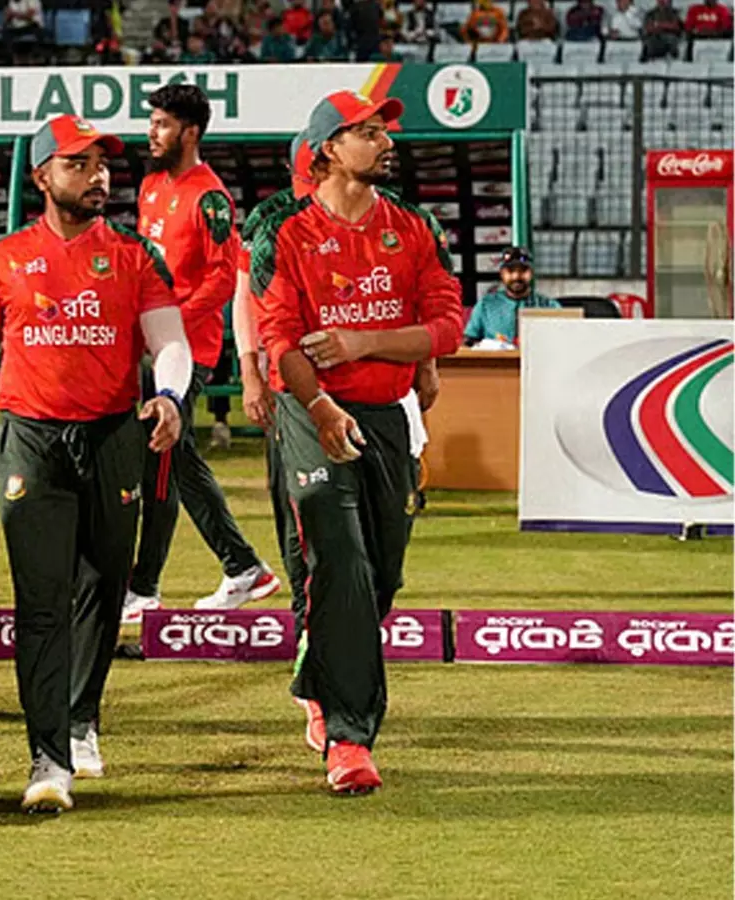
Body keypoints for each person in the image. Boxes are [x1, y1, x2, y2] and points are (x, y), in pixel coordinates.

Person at [0, 115, 191, 813]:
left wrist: (170, 396)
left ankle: (81, 719)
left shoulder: (135, 256)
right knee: (42, 598)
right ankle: (48, 756)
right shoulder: (6, 258)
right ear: (44, 175)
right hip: (30, 437)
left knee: (103, 586)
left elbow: (169, 340)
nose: (97, 176)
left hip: (113, 436)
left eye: (102, 164)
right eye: (79, 164)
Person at [254, 91, 464, 793]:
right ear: (328, 151)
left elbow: (446, 327)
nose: (385, 142)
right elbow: (280, 338)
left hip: (385, 413)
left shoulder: (412, 226)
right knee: (338, 556)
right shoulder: (286, 234)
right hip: (310, 409)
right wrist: (318, 405)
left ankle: (319, 675)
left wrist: (364, 342)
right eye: (367, 132)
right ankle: (349, 739)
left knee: (381, 575)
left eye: (383, 131)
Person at [124, 85, 278, 625]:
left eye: (163, 124)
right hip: (151, 345)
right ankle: (243, 566)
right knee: (174, 458)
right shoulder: (150, 186)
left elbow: (221, 278)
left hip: (188, 349)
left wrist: (168, 323)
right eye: (152, 122)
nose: (152, 132)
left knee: (163, 460)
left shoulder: (210, 198)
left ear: (190, 132)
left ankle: (144, 588)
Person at [462, 247, 560, 346]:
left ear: (531, 273)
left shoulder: (550, 306)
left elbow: (562, 339)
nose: (516, 276)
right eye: (510, 271)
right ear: (502, 273)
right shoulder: (486, 305)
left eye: (523, 270)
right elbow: (469, 341)